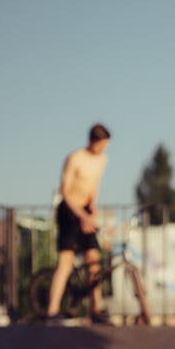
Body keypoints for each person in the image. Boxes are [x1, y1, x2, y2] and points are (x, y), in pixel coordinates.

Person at [46, 124, 112, 324]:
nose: (103, 149)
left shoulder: (102, 160)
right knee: (66, 262)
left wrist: (92, 205)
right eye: (101, 145)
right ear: (93, 141)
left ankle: (96, 307)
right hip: (70, 211)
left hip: (85, 211)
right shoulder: (75, 159)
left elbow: (94, 184)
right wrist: (82, 216)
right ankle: (52, 310)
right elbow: (65, 192)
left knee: (93, 259)